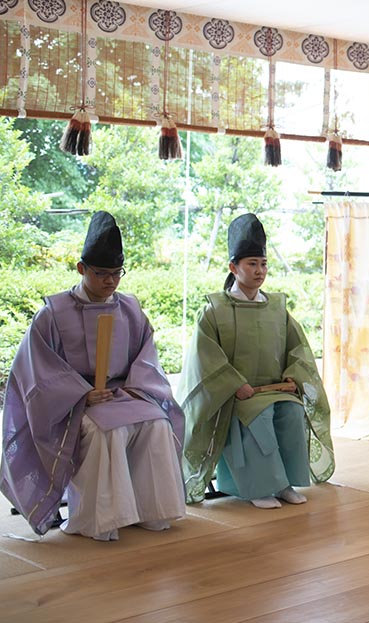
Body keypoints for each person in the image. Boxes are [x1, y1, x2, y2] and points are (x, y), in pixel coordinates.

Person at [0, 212, 185, 540]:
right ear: (81, 268)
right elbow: (36, 369)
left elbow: (146, 357)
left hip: (124, 394)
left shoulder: (130, 309)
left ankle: (151, 511)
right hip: (73, 403)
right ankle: (99, 521)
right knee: (105, 431)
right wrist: (82, 394)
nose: (110, 282)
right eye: (101, 273)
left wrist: (136, 389)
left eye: (116, 274)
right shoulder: (52, 314)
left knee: (157, 423)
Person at [178, 213, 334, 508]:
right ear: (233, 267)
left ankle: (284, 483)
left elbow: (297, 347)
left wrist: (293, 376)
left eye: (263, 264)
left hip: (275, 390)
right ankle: (259, 488)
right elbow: (205, 356)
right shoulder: (214, 310)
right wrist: (234, 384)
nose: (260, 271)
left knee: (291, 411)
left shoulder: (277, 307)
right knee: (256, 417)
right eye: (252, 264)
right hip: (237, 395)